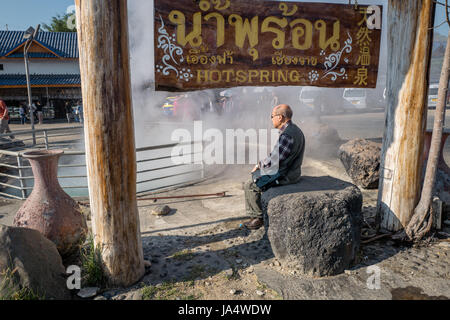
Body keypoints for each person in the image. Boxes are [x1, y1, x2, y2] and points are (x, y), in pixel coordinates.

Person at [243, 104, 305, 230]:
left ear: (280, 117)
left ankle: (257, 218)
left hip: (285, 175)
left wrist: (259, 165)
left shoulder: (288, 135)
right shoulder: (294, 129)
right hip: (292, 171)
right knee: (256, 176)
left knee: (250, 184)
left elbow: (274, 160)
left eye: (272, 116)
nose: (271, 119)